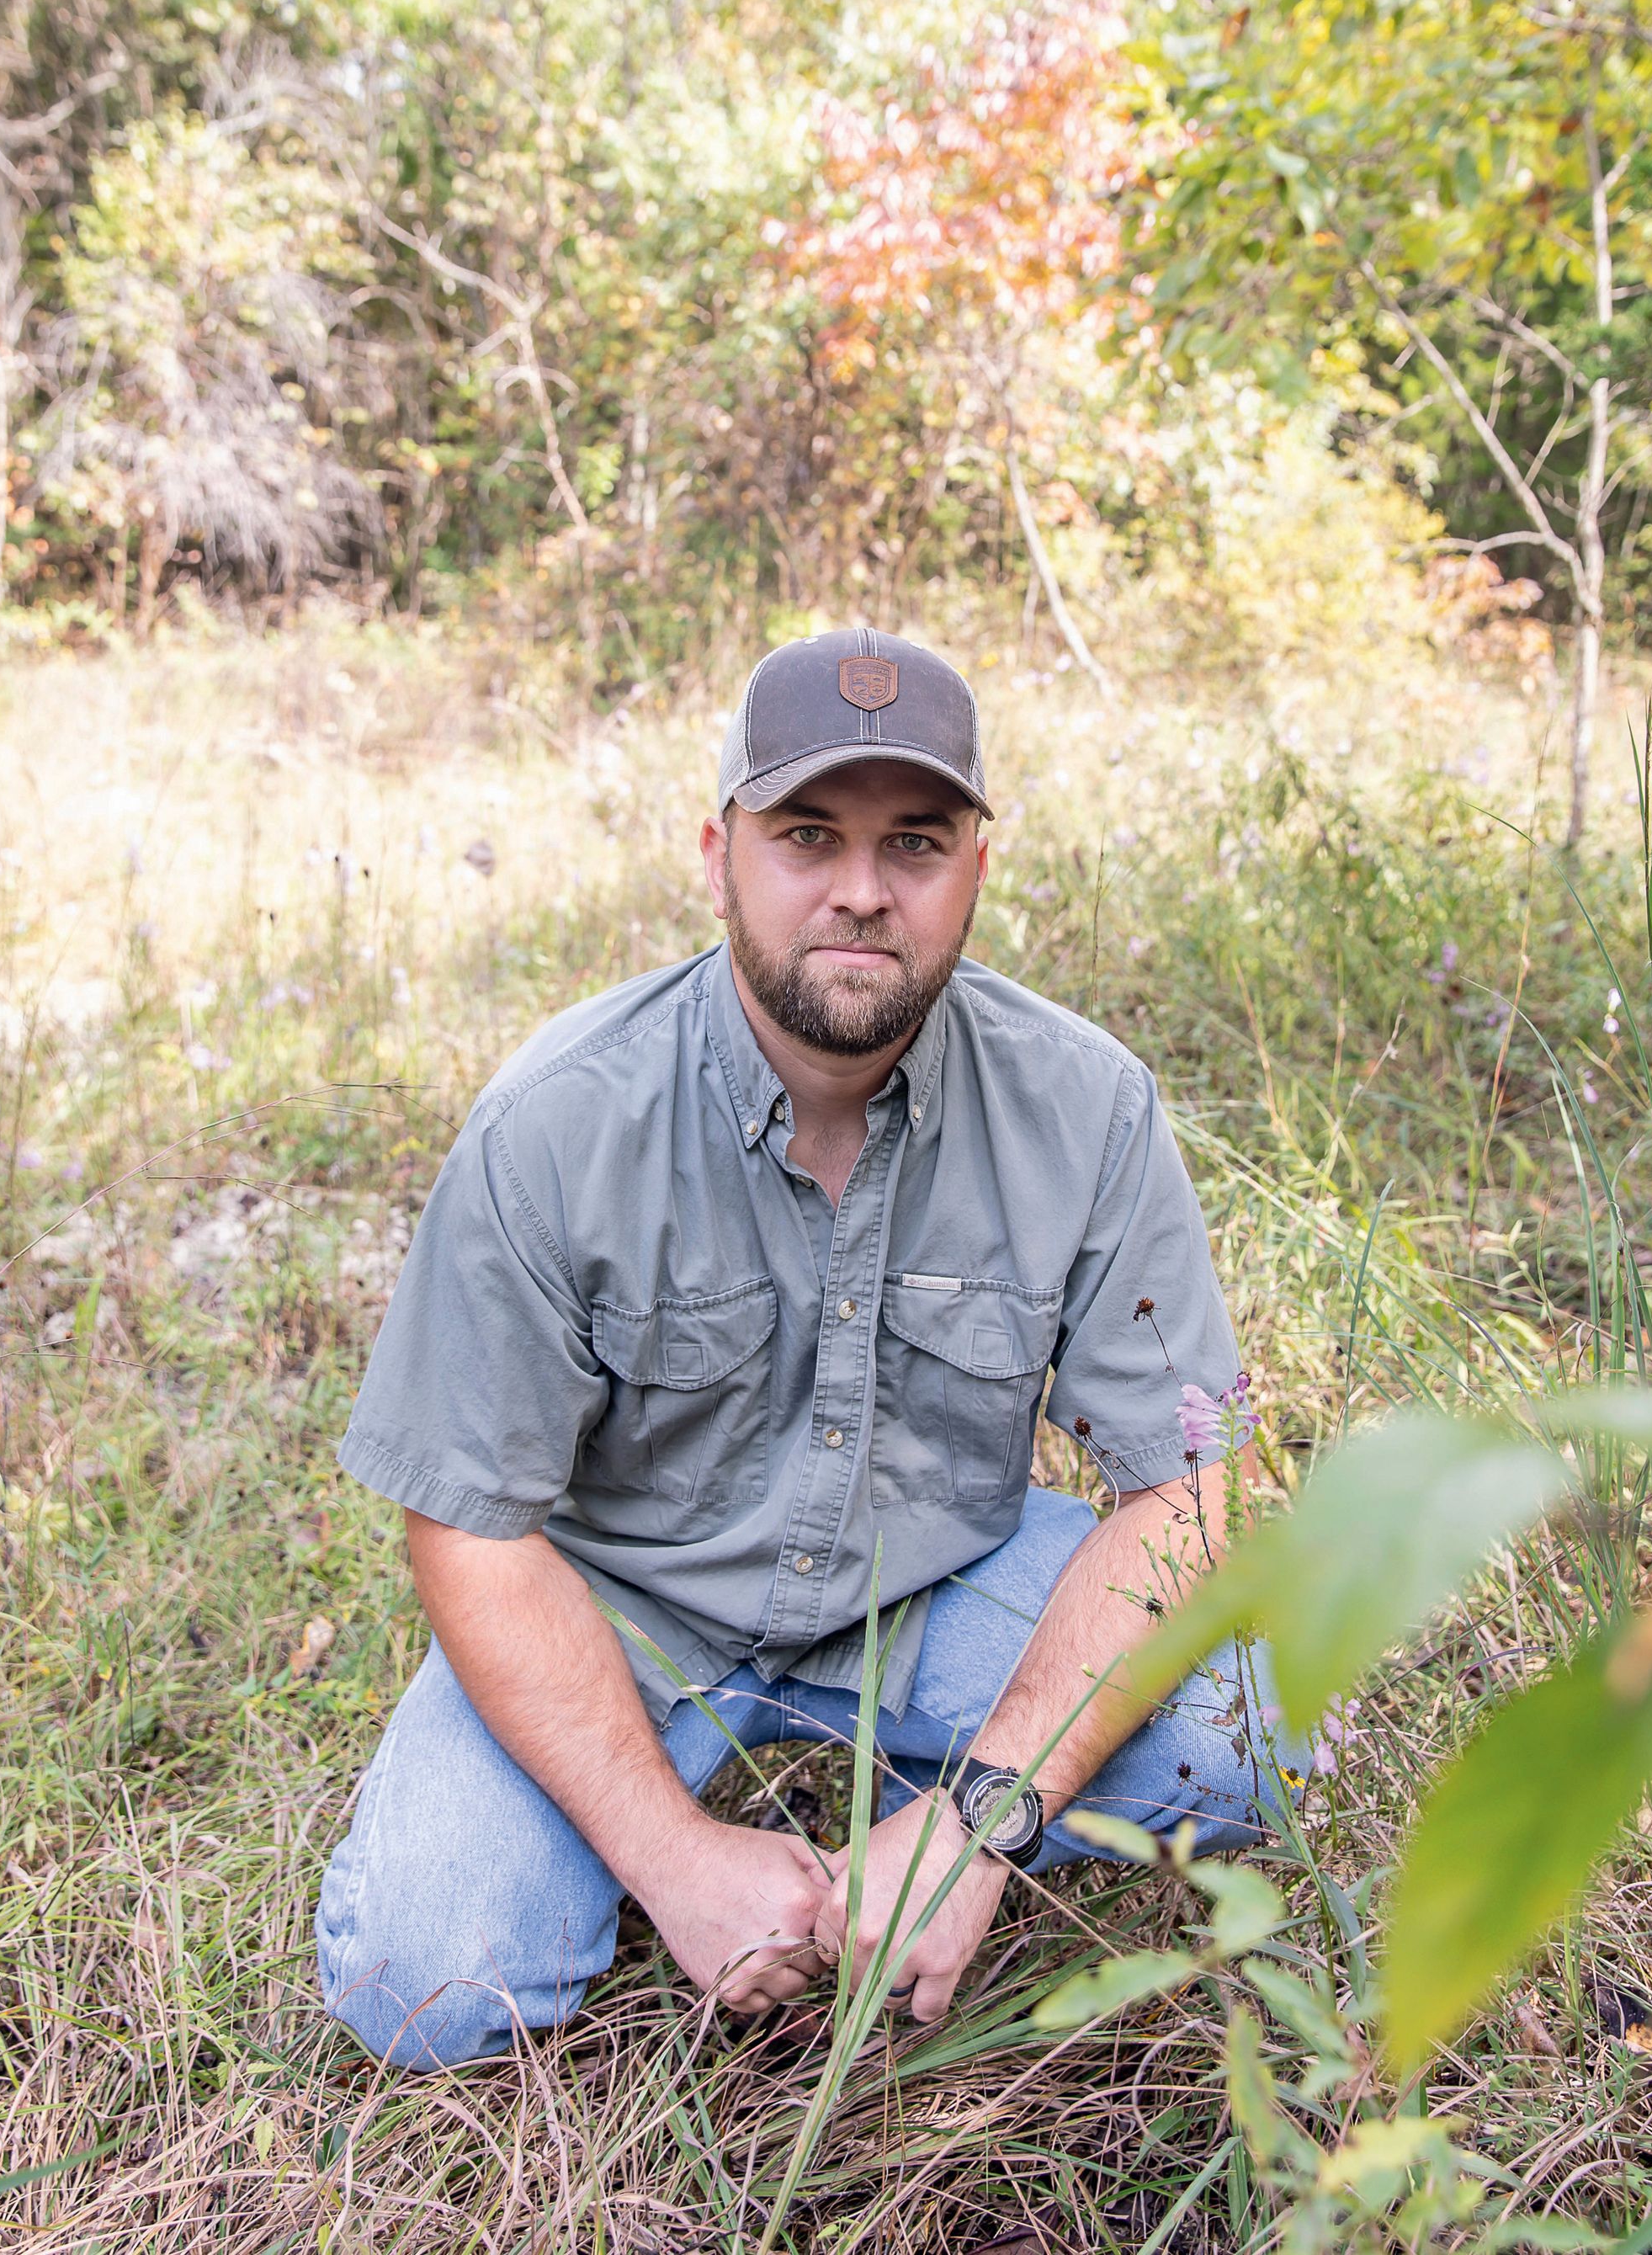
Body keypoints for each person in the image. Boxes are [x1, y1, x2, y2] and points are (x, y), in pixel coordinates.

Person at [317, 628, 1284, 2072]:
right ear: (718, 855)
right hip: (625, 1609)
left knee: (1244, 1742)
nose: (860, 888)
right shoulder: (557, 1126)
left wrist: (983, 1819)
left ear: (974, 867)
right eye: (807, 835)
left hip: (932, 1576)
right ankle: (697, 1810)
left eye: (917, 841)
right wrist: (673, 1859)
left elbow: (1191, 1489)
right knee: (428, 1985)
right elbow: (466, 1525)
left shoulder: (1088, 1110)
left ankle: (915, 1795)